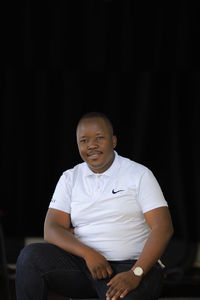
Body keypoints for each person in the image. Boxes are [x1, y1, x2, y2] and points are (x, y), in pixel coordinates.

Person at [16, 111, 174, 300]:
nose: (91, 145)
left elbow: (163, 228)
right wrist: (88, 254)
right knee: (30, 257)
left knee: (123, 296)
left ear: (113, 141)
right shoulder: (70, 178)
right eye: (84, 140)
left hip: (132, 266)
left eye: (99, 138)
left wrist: (136, 273)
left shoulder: (139, 174)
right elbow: (51, 229)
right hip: (86, 266)